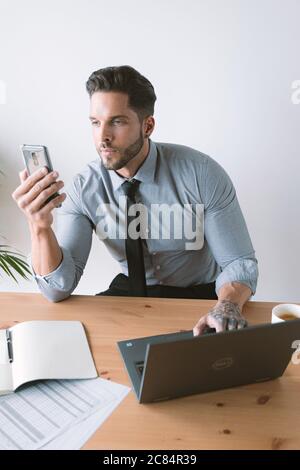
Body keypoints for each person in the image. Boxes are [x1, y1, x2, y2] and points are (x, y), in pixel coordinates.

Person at [12, 65, 258, 336]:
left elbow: (238, 263)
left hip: (198, 296)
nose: (103, 136)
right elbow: (57, 289)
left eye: (117, 121)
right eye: (95, 122)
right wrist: (39, 227)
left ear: (147, 125)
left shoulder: (201, 174)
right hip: (129, 294)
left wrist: (227, 305)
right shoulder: (85, 188)